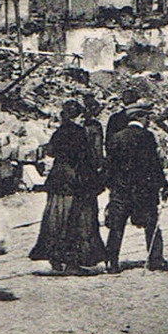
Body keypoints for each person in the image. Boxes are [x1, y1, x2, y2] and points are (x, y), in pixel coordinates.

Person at [29, 99, 107, 273]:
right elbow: (85, 156)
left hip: (58, 178)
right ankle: (73, 262)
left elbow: (50, 151)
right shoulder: (79, 132)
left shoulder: (59, 131)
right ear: (78, 116)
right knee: (76, 220)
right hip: (75, 180)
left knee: (55, 219)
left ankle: (55, 259)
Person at [104, 97, 168, 272]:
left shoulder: (116, 137)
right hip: (144, 189)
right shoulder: (147, 137)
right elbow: (154, 164)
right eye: (147, 118)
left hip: (121, 189)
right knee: (151, 224)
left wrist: (110, 186)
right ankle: (155, 260)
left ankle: (112, 262)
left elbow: (109, 165)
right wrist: (163, 184)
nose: (149, 121)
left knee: (116, 226)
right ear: (141, 118)